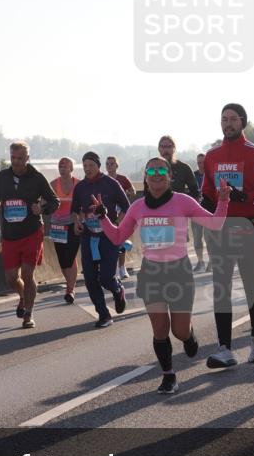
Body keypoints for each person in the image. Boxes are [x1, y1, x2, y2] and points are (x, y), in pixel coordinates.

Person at [97, 158, 230, 393]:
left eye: (161, 170)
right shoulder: (137, 207)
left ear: (169, 176)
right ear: (146, 177)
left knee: (178, 330)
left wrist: (223, 200)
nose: (156, 174)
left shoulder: (182, 202)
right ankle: (168, 375)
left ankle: (188, 336)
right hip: (152, 272)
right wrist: (102, 217)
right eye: (151, 170)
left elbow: (215, 223)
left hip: (179, 271)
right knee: (160, 329)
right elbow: (118, 237)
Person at [201, 103, 254, 367]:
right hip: (222, 229)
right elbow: (208, 194)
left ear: (243, 122)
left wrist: (246, 197)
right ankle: (224, 348)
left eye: (233, 119)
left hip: (251, 225)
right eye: (224, 119)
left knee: (251, 285)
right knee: (221, 287)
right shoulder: (212, 156)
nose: (228, 124)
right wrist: (207, 212)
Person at [0, 142, 60, 329]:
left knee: (28, 274)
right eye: (13, 158)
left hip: (31, 233)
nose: (16, 162)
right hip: (10, 234)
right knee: (11, 279)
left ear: (27, 158)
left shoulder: (37, 178)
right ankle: (22, 296)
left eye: (20, 158)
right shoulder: (2, 176)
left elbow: (55, 201)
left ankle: (28, 314)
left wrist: (42, 208)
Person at [71, 152, 131, 328]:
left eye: (91, 165)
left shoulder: (111, 184)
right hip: (88, 236)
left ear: (98, 166)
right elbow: (75, 210)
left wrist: (118, 222)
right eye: (85, 166)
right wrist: (77, 223)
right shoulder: (80, 187)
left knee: (105, 278)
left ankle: (117, 289)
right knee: (89, 278)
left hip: (108, 237)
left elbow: (127, 207)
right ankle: (104, 315)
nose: (87, 169)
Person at [49, 157, 81, 305]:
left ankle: (70, 289)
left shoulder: (79, 185)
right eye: (60, 166)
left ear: (71, 168)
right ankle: (70, 285)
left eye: (65, 166)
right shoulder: (53, 184)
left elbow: (83, 204)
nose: (62, 168)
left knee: (71, 255)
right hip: (57, 226)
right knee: (63, 259)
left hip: (73, 224)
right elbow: (46, 202)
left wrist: (80, 220)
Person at [106, 156, 137, 280]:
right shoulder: (104, 180)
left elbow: (133, 191)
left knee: (121, 241)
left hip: (122, 214)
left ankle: (122, 268)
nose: (110, 166)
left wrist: (126, 194)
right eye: (107, 164)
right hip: (108, 216)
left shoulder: (123, 179)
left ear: (116, 166)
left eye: (112, 163)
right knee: (110, 242)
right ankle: (113, 269)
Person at [158, 135, 201, 200]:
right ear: (159, 149)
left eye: (169, 146)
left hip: (178, 207)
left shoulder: (184, 168)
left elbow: (195, 193)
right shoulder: (152, 168)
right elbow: (147, 192)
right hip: (158, 208)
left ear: (174, 148)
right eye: (163, 146)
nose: (166, 150)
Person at [191, 153, 209, 271]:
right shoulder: (193, 175)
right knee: (197, 239)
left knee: (210, 238)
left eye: (202, 162)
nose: (200, 165)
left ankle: (211, 262)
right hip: (196, 211)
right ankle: (200, 261)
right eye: (198, 162)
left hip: (209, 211)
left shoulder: (211, 174)